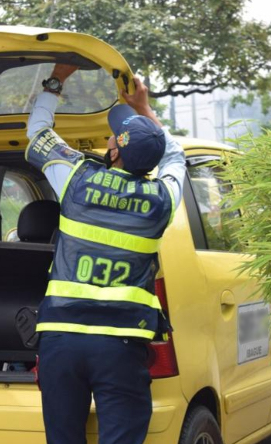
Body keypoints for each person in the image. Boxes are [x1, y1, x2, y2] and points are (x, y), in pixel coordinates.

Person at [26, 65, 186, 444]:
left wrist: (56, 80)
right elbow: (175, 156)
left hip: (61, 338)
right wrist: (146, 111)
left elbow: (37, 131)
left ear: (114, 152)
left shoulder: (77, 177)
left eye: (113, 136)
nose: (108, 138)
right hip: (121, 344)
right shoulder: (162, 200)